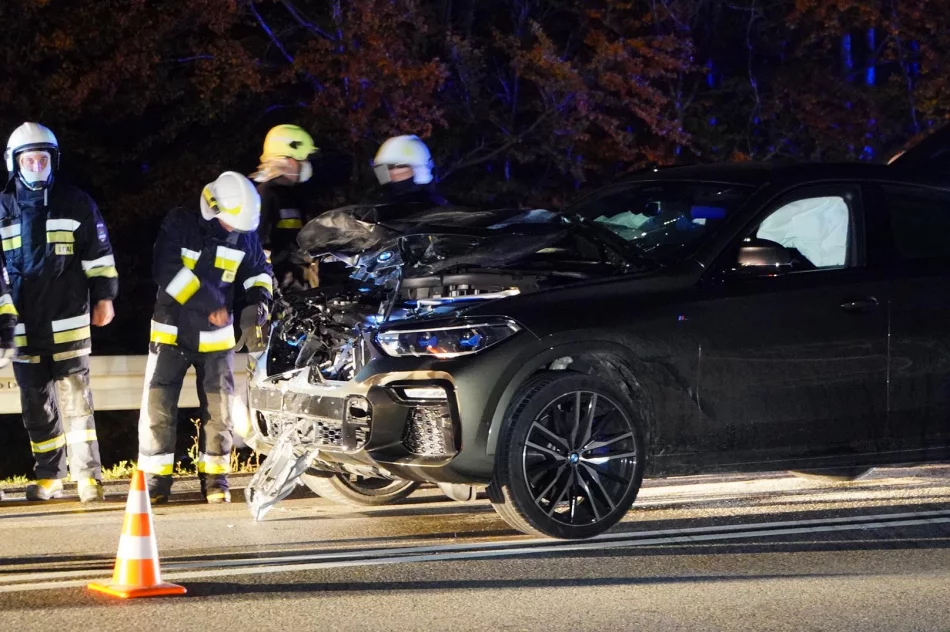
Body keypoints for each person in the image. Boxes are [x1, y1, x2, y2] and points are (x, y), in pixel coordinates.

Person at [0, 122, 118, 503]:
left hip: (68, 320)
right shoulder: (2, 208)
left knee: (77, 402)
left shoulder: (75, 202)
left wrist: (105, 297)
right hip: (23, 326)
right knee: (37, 407)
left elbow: (99, 255)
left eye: (43, 160)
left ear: (53, 161)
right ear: (14, 163)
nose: (37, 167)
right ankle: (50, 476)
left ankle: (88, 477)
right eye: (29, 161)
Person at [138, 171, 272, 504]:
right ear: (212, 208)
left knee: (219, 412)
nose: (234, 230)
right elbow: (166, 270)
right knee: (159, 411)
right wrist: (210, 304)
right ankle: (156, 482)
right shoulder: (180, 224)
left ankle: (215, 480)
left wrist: (257, 306)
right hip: (172, 332)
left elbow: (259, 273)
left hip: (217, 338)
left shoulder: (243, 234)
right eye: (230, 222)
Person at [250, 124, 319, 292]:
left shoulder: (293, 195)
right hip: (277, 287)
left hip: (295, 286)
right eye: (302, 159)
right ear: (288, 160)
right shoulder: (265, 195)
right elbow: (257, 247)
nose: (306, 164)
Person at [369, 135, 449, 212]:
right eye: (385, 167)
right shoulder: (373, 208)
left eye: (399, 166)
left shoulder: (440, 211)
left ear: (421, 169)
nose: (392, 172)